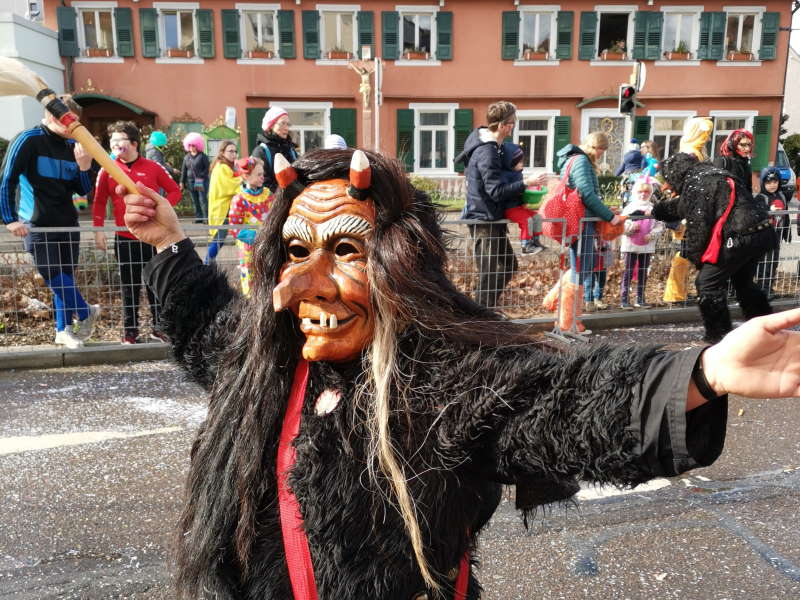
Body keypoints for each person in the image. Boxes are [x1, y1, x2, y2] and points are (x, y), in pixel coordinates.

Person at [122, 147, 800, 599]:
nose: (303, 286)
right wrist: (167, 243)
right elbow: (207, 326)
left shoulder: (442, 382)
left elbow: (564, 403)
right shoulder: (264, 368)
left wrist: (704, 371)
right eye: (295, 252)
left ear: (401, 267)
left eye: (346, 252)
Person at [0, 94, 99, 349]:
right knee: (52, 273)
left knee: (65, 276)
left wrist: (85, 166)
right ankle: (85, 312)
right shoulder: (28, 140)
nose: (76, 127)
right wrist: (9, 218)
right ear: (55, 117)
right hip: (37, 222)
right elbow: (7, 179)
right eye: (72, 121)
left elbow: (81, 191)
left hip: (67, 222)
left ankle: (63, 330)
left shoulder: (72, 146)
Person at [654, 152, 777, 343]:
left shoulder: (696, 183)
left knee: (707, 284)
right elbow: (686, 205)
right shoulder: (711, 174)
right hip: (759, 233)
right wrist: (660, 210)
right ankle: (767, 328)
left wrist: (698, 259)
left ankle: (718, 336)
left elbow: (698, 225)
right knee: (743, 283)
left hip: (738, 237)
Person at [93, 121, 181, 344]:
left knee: (155, 282)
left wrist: (158, 210)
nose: (114, 144)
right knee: (129, 286)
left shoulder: (152, 166)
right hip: (124, 237)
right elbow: (99, 201)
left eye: (119, 140)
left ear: (133, 143)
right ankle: (130, 331)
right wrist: (98, 231)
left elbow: (174, 191)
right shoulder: (107, 169)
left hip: (152, 236)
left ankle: (159, 328)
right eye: (111, 141)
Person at [458, 101, 546, 308]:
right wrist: (526, 183)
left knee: (507, 265)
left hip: (492, 218)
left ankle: (484, 312)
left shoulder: (493, 148)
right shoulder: (487, 151)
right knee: (489, 273)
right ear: (503, 125)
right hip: (483, 221)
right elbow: (495, 191)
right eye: (512, 123)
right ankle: (480, 318)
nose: (514, 126)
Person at [554, 132, 622, 333]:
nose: (601, 154)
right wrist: (610, 216)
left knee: (581, 267)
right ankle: (568, 322)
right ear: (594, 147)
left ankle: (566, 317)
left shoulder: (573, 159)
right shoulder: (582, 161)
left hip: (579, 220)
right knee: (582, 267)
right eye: (601, 149)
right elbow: (586, 194)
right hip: (581, 221)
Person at [227, 156, 271, 294]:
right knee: (250, 285)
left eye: (262, 174)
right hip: (249, 250)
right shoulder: (239, 199)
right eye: (258, 174)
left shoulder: (268, 195)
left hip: (268, 247)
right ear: (246, 176)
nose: (262, 177)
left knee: (268, 279)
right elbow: (234, 227)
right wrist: (256, 237)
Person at [619, 177, 663, 309]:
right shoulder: (629, 208)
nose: (643, 194)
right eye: (640, 192)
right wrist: (631, 228)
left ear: (650, 193)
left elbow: (660, 225)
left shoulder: (653, 208)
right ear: (635, 192)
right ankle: (624, 299)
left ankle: (640, 298)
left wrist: (652, 234)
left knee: (643, 271)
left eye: (646, 192)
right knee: (628, 271)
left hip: (647, 245)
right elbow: (622, 225)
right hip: (630, 245)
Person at [500, 142, 544, 255]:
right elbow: (507, 191)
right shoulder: (504, 175)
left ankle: (536, 241)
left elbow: (521, 188)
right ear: (511, 162)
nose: (522, 164)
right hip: (510, 208)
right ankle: (526, 245)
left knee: (537, 217)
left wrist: (527, 195)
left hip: (518, 206)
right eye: (519, 162)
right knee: (527, 220)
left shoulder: (518, 173)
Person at [755, 166, 791, 297]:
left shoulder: (781, 195)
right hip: (764, 238)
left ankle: (769, 288)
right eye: (768, 182)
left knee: (773, 263)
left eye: (775, 182)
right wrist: (768, 209)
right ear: (763, 183)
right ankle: (762, 289)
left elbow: (786, 216)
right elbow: (757, 215)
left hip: (777, 235)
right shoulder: (760, 197)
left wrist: (787, 234)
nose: (772, 185)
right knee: (764, 263)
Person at [204, 140, 241, 265]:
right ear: (222, 152)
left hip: (222, 208)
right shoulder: (222, 167)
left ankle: (209, 263)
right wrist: (245, 177)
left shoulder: (224, 166)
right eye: (230, 151)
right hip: (222, 209)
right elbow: (230, 186)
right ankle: (207, 263)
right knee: (219, 238)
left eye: (235, 151)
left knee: (219, 238)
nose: (234, 154)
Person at [252, 105, 298, 193]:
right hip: (272, 202)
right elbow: (262, 181)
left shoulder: (291, 149)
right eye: (282, 123)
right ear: (271, 126)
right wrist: (282, 196)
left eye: (288, 124)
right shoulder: (261, 151)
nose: (286, 128)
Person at [180, 132, 210, 222]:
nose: (191, 147)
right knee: (195, 200)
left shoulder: (202, 156)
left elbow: (207, 168)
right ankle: (198, 218)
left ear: (197, 145)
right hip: (190, 181)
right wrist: (182, 182)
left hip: (200, 181)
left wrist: (201, 176)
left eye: (193, 145)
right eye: (190, 145)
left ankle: (206, 218)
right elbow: (184, 170)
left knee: (202, 199)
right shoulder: (186, 157)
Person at [714, 129, 755, 194]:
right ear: (734, 144)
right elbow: (715, 188)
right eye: (743, 145)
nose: (747, 149)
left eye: (749, 145)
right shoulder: (723, 161)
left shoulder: (746, 164)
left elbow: (748, 190)